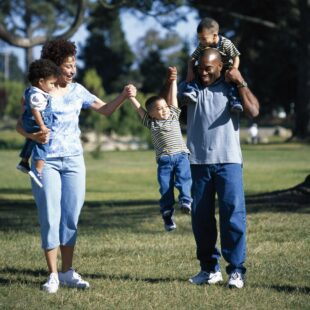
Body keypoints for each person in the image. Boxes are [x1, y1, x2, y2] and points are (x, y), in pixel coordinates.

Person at [16, 38, 136, 293]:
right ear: (53, 66)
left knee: (70, 217)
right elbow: (20, 125)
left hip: (73, 161)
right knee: (50, 215)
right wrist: (32, 136)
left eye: (74, 65)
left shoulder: (78, 91)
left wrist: (124, 96)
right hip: (45, 161)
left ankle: (67, 271)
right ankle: (52, 275)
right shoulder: (38, 92)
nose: (72, 70)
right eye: (67, 65)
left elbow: (105, 110)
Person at [175, 48, 259, 288]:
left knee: (233, 217)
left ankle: (236, 271)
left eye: (208, 69)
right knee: (201, 219)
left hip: (228, 161)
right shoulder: (190, 89)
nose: (203, 73)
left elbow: (253, 111)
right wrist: (179, 82)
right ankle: (209, 269)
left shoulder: (232, 88)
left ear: (221, 67)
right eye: (200, 68)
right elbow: (168, 111)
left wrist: (240, 81)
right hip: (197, 163)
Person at [128, 67, 192, 232]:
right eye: (159, 109)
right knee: (165, 189)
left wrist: (174, 81)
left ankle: (186, 200)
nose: (164, 110)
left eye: (165, 107)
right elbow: (139, 110)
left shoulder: (173, 115)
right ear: (151, 114)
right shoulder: (151, 123)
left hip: (181, 156)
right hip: (164, 161)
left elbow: (173, 98)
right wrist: (132, 98)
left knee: (184, 179)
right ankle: (167, 215)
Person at [16, 59, 61, 188]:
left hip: (28, 123)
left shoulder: (30, 91)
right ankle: (39, 171)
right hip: (36, 122)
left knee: (31, 140)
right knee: (43, 143)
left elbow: (23, 100)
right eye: (52, 83)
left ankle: (24, 161)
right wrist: (42, 126)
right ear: (41, 82)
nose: (53, 87)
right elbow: (36, 110)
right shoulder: (38, 95)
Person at [186, 17, 243, 112]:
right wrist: (189, 71)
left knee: (233, 82)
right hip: (209, 69)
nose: (201, 41)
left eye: (203, 39)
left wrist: (234, 69)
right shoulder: (202, 45)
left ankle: (235, 100)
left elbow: (236, 57)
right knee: (196, 70)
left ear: (215, 36)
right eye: (199, 38)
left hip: (225, 68)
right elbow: (192, 58)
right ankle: (192, 91)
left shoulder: (226, 43)